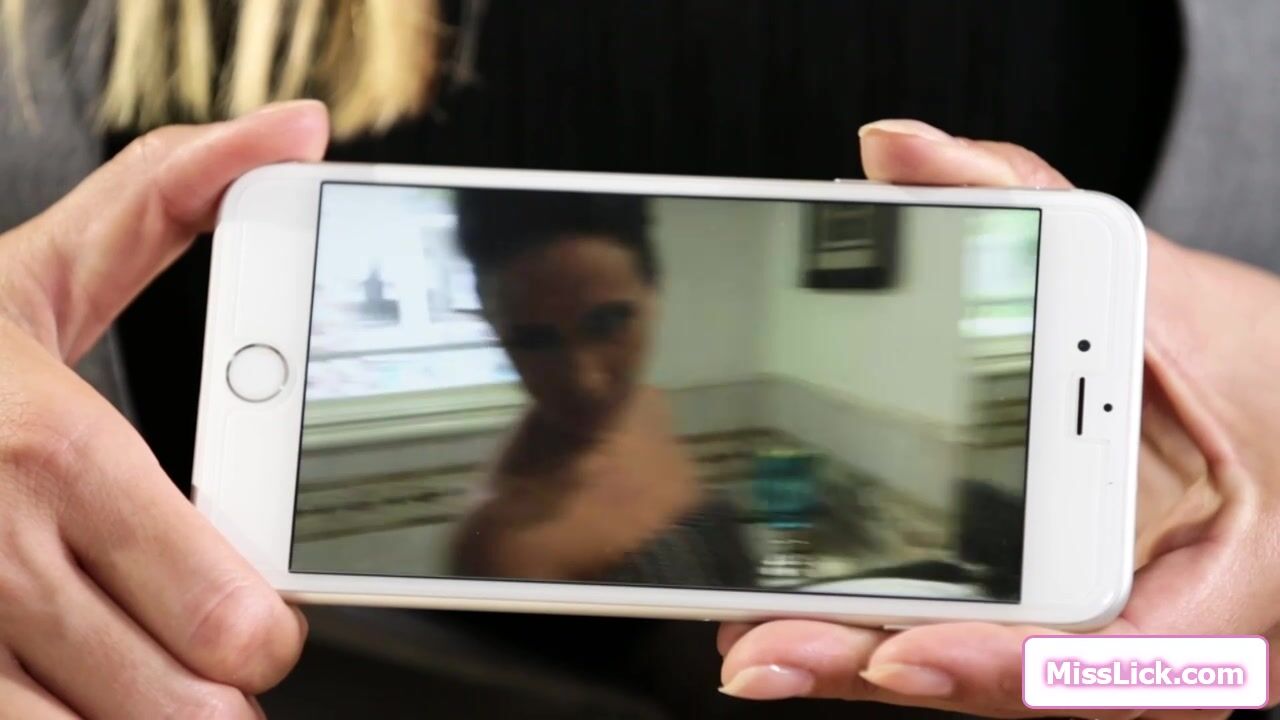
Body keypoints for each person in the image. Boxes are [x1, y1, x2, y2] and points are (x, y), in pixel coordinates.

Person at [2, 1, 1278, 718]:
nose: (579, 373)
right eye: (535, 339)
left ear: (656, 305)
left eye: (605, 324)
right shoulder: (498, 512)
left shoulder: (763, 456)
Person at [448, 189, 754, 587]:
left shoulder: (646, 408)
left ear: (654, 292)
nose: (586, 381)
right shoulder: (504, 549)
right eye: (535, 340)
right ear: (493, 328)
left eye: (607, 324)